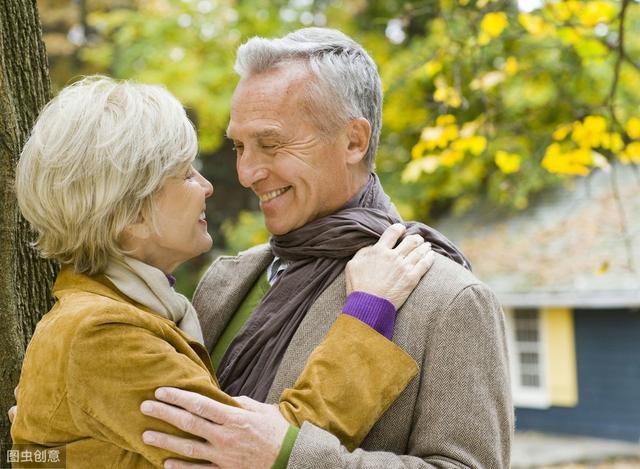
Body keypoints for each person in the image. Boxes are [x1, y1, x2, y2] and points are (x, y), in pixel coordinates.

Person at [9, 76, 437, 467]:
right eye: (184, 174)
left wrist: (44, 451)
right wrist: (367, 312)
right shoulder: (102, 333)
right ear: (130, 212)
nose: (208, 185)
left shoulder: (129, 312)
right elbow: (260, 451)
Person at [140, 27, 513, 468]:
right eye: (240, 147)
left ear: (354, 141)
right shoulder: (225, 281)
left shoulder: (448, 300)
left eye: (270, 144)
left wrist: (289, 457)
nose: (246, 173)